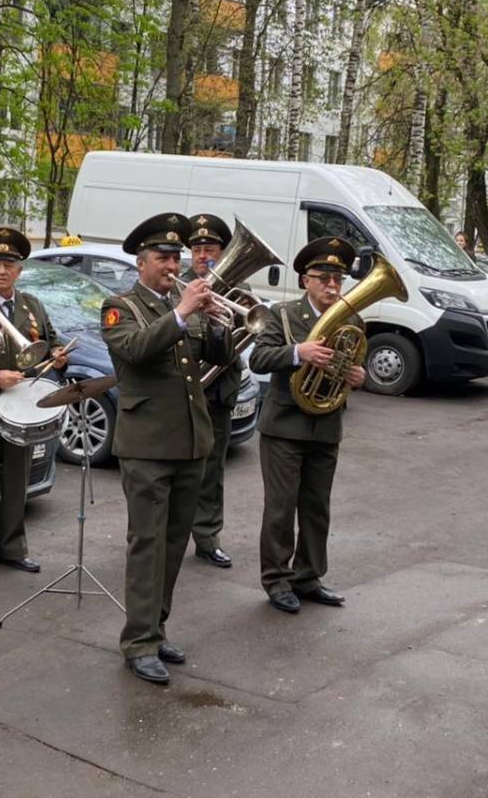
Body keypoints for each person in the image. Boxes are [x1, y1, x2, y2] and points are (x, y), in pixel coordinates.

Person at [101, 212, 234, 684]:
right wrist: (183, 313)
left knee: (175, 543)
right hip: (146, 446)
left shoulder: (185, 302)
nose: (173, 264)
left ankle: (156, 630)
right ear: (141, 263)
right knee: (148, 544)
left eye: (176, 256)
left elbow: (216, 358)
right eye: (163, 257)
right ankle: (137, 641)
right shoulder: (120, 306)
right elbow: (135, 350)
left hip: (191, 440)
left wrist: (218, 325)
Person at [249, 236, 366, 615]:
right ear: (305, 281)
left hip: (326, 425)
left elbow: (352, 366)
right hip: (284, 427)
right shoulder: (281, 315)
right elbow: (259, 360)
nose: (333, 286)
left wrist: (357, 376)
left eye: (338, 279)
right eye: (324, 278)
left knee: (317, 507)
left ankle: (309, 576)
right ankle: (277, 580)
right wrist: (299, 352)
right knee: (281, 508)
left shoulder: (352, 319)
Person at [0, 226, 67, 575]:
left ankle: (12, 548)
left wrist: (57, 353)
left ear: (19, 270)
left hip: (23, 409)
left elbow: (48, 340)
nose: (1, 271)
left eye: (9, 264)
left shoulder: (31, 306)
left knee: (18, 483)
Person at [185, 213, 242, 570]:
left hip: (218, 392)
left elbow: (251, 334)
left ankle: (207, 538)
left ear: (223, 252)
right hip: (183, 391)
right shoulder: (177, 286)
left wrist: (232, 316)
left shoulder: (237, 289)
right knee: (176, 470)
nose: (203, 256)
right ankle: (168, 535)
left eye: (210, 249)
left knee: (212, 472)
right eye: (198, 249)